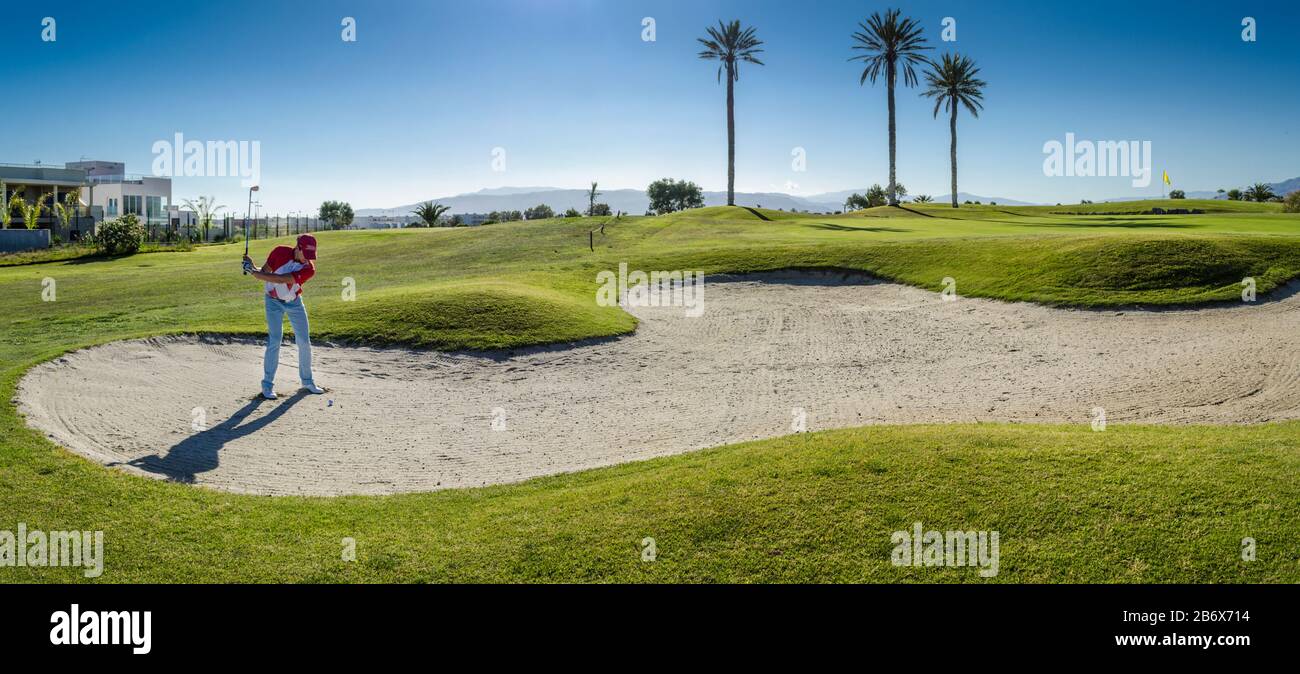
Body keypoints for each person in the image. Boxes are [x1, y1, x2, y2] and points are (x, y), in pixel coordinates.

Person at [243, 234, 325, 399]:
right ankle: (267, 385)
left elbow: (281, 279)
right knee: (275, 340)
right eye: (306, 254)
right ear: (298, 248)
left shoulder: (309, 269)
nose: (308, 259)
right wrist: (251, 266)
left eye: (311, 256)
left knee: (304, 341)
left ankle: (307, 381)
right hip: (273, 301)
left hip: (294, 302)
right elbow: (264, 272)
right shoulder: (279, 252)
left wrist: (254, 273)